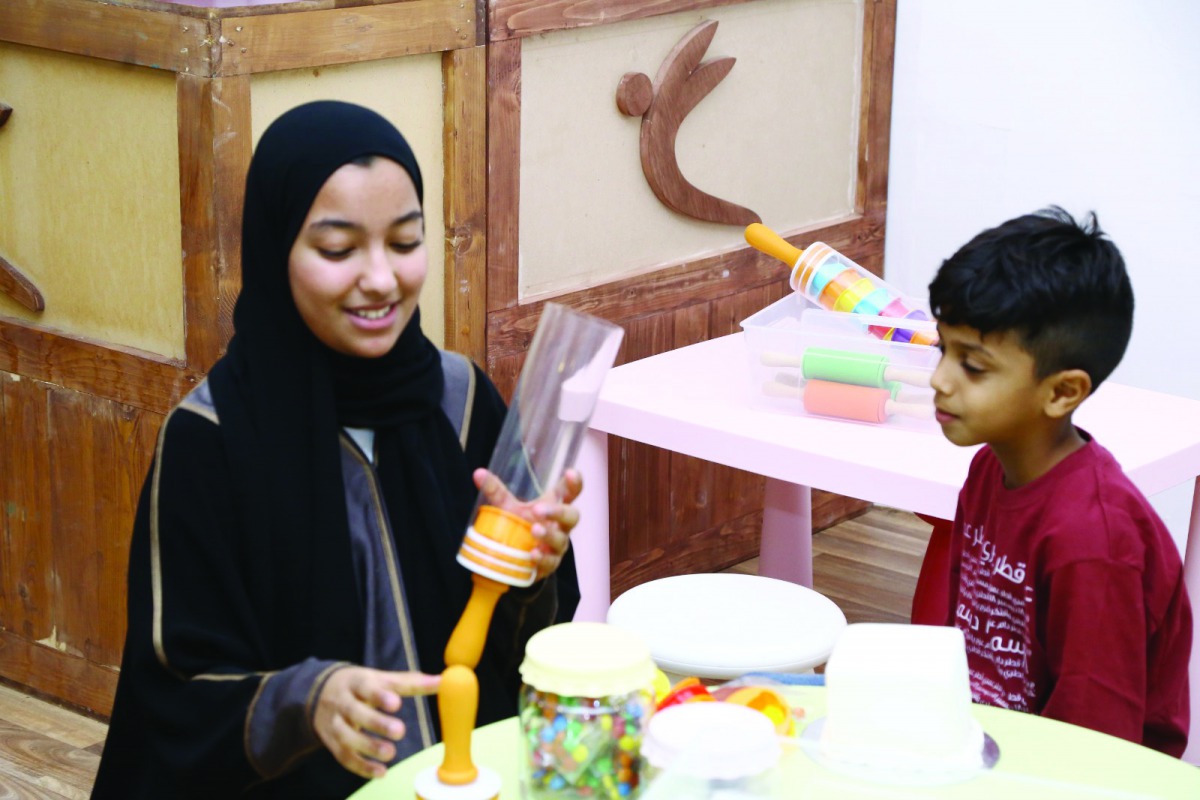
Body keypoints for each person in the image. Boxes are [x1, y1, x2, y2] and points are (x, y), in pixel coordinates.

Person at [91, 100, 581, 798]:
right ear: (275, 249)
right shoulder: (211, 440)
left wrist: (534, 568)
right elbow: (173, 691)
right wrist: (305, 700)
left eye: (405, 243)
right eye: (338, 250)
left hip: (470, 780)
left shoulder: (459, 398)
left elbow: (526, 652)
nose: (380, 279)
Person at [928, 206, 1191, 756]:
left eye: (972, 366)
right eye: (941, 349)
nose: (939, 380)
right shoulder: (989, 466)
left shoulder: (1094, 540)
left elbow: (1094, 748)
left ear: (1062, 392)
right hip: (987, 748)